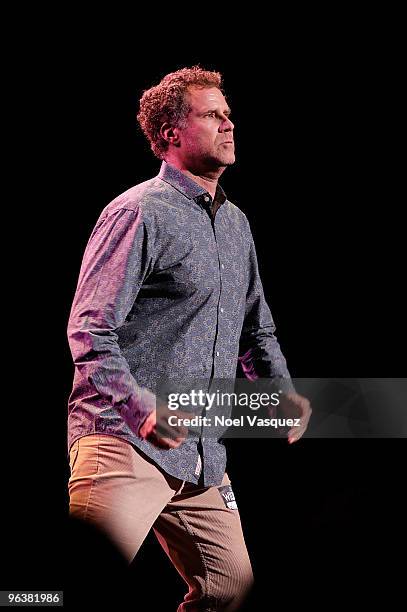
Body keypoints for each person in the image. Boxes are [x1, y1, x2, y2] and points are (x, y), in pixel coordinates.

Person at [67, 66, 312, 611]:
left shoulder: (235, 224)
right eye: (211, 114)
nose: (229, 123)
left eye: (228, 114)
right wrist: (139, 407)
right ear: (172, 133)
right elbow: (90, 327)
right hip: (123, 442)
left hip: (200, 453)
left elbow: (257, 326)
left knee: (231, 591)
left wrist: (281, 393)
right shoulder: (138, 212)